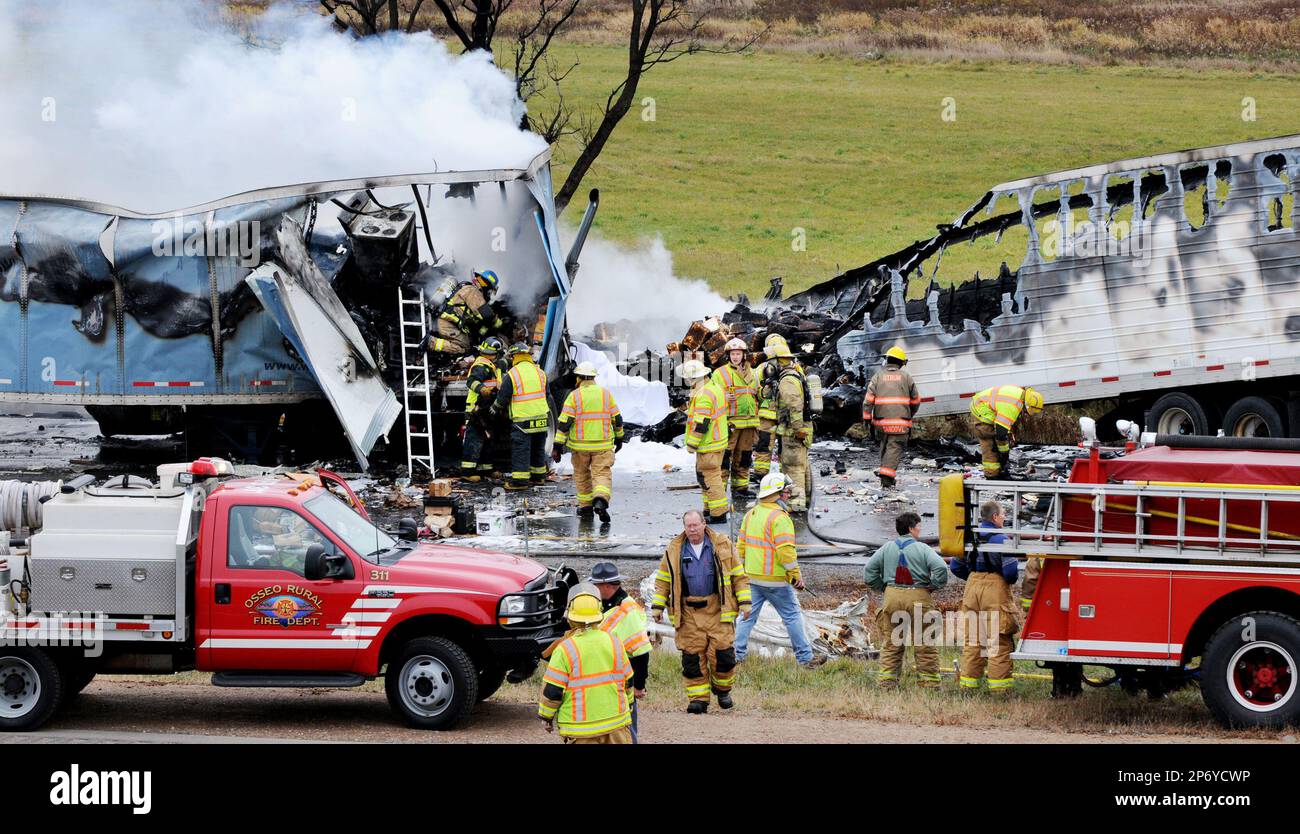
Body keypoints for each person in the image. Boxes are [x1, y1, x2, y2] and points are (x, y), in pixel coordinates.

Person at [651, 510, 751, 713]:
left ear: (704, 523)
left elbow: (739, 576)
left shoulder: (722, 544)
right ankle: (698, 699)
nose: (692, 529)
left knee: (724, 656)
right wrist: (657, 606)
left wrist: (745, 602)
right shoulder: (674, 549)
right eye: (688, 526)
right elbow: (663, 580)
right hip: (688, 613)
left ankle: (723, 690)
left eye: (696, 525)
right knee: (692, 659)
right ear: (684, 527)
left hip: (718, 610)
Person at [734, 473, 826, 668]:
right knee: (792, 616)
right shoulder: (780, 518)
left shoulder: (752, 514)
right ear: (777, 494)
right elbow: (786, 552)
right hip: (775, 581)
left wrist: (741, 573)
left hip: (752, 578)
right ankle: (805, 658)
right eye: (786, 491)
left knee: (746, 616)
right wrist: (795, 576)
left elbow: (740, 546)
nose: (788, 494)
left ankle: (736, 655)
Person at [538, 583, 634, 743]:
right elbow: (628, 680)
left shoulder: (565, 649)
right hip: (616, 725)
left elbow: (553, 691)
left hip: (581, 730)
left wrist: (546, 716)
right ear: (599, 612)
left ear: (570, 616)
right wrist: (629, 702)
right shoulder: (614, 641)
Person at [864, 511, 949, 689]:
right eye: (919, 527)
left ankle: (887, 683)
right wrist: (934, 585)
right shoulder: (923, 549)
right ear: (911, 529)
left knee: (892, 642)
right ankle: (929, 685)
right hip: (918, 596)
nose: (920, 530)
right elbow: (941, 567)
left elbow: (869, 571)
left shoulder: (886, 548)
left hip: (892, 597)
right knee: (925, 641)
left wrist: (884, 588)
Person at [949, 500, 1021, 693]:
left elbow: (955, 566)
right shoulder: (1001, 539)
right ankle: (999, 690)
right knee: (997, 640)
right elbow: (1011, 572)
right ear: (995, 517)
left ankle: (968, 686)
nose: (1004, 518)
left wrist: (973, 578)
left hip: (972, 589)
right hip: (994, 589)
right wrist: (998, 580)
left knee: (973, 639)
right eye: (1003, 515)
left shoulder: (970, 536)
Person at [553, 362, 624, 522]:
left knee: (582, 475)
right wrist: (619, 438)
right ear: (593, 377)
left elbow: (565, 423)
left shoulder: (574, 396)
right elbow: (617, 418)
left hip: (580, 447)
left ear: (578, 377)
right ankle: (600, 499)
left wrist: (557, 445)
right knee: (602, 473)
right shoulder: (605, 394)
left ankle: (585, 508)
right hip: (603, 445)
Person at [590, 562, 651, 740]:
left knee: (626, 728)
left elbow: (640, 653)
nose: (593, 588)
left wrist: (639, 685)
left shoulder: (627, 610)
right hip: (604, 680)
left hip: (623, 682)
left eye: (596, 585)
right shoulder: (603, 604)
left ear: (607, 586)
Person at [490, 343, 552, 490]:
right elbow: (548, 395)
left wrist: (494, 408)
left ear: (514, 357)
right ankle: (539, 478)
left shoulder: (513, 374)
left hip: (523, 420)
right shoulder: (540, 372)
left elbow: (503, 397)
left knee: (521, 450)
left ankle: (520, 481)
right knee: (538, 448)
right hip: (542, 418)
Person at [679, 359, 730, 524]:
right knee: (706, 477)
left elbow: (702, 423)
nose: (688, 382)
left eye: (689, 379)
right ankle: (710, 509)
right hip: (717, 441)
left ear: (695, 378)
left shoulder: (704, 394)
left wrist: (692, 443)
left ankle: (718, 513)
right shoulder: (714, 388)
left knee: (710, 477)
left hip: (709, 444)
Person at [863, 345, 921, 489]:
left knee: (886, 445)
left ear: (887, 360)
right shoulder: (906, 377)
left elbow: (868, 400)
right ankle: (887, 478)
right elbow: (916, 401)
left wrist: (866, 418)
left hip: (881, 423)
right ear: (901, 362)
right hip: (901, 422)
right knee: (894, 447)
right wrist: (909, 413)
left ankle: (885, 472)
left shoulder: (878, 376)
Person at [712, 338, 760, 497]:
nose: (735, 357)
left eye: (738, 353)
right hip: (730, 422)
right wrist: (724, 396)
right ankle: (720, 490)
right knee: (725, 457)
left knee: (744, 457)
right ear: (728, 355)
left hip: (749, 422)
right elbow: (712, 395)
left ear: (743, 355)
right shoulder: (720, 373)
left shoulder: (752, 372)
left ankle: (740, 489)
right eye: (733, 354)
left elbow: (757, 393)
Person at [771, 340, 813, 512]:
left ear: (778, 361)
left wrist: (797, 429)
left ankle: (795, 505)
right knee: (802, 464)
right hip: (800, 428)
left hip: (793, 430)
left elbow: (795, 405)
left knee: (792, 465)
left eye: (771, 361)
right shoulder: (794, 374)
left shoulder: (787, 380)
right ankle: (806, 498)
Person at [969, 384, 1044, 479]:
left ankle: (998, 470)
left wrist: (1004, 449)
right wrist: (1004, 452)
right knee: (990, 444)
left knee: (998, 444)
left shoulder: (1020, 395)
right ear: (1027, 405)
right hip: (981, 410)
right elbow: (1001, 434)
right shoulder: (1013, 406)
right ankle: (992, 475)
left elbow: (1004, 427)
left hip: (984, 404)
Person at [752, 334, 798, 482]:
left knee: (780, 446)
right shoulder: (763, 368)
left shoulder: (794, 366)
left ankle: (780, 475)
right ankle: (762, 473)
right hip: (771, 414)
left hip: (783, 414)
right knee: (765, 444)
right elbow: (754, 388)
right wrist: (764, 390)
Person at [428, 269, 505, 355]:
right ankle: (431, 342)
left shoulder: (468, 288)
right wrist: (500, 324)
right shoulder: (473, 291)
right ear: (487, 286)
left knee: (470, 343)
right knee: (465, 348)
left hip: (448, 322)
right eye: (490, 291)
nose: (489, 294)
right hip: (448, 324)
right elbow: (486, 314)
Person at [459, 337, 504, 481]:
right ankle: (467, 472)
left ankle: (486, 469)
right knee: (474, 439)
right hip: (476, 410)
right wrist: (482, 389)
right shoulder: (481, 366)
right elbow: (471, 381)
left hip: (486, 409)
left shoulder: (491, 366)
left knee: (487, 439)